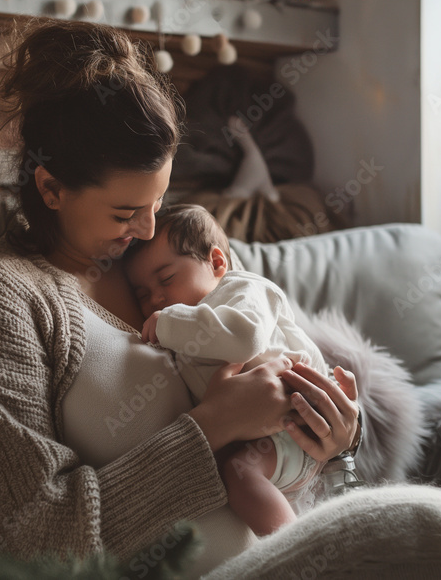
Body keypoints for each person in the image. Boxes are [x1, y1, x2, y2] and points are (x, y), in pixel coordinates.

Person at [0, 19, 441, 579]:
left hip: (280, 553)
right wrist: (216, 423)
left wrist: (336, 437)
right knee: (435, 529)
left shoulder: (166, 258)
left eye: (156, 204)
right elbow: (33, 538)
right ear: (51, 187)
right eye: (123, 211)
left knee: (438, 529)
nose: (144, 230)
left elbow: (283, 379)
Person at [123, 203, 337, 536]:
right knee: (228, 475)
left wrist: (167, 325)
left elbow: (246, 338)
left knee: (239, 474)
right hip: (266, 435)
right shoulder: (188, 329)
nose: (156, 299)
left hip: (298, 422)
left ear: (218, 262)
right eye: (143, 294)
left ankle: (293, 554)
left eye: (166, 278)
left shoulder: (242, 289)